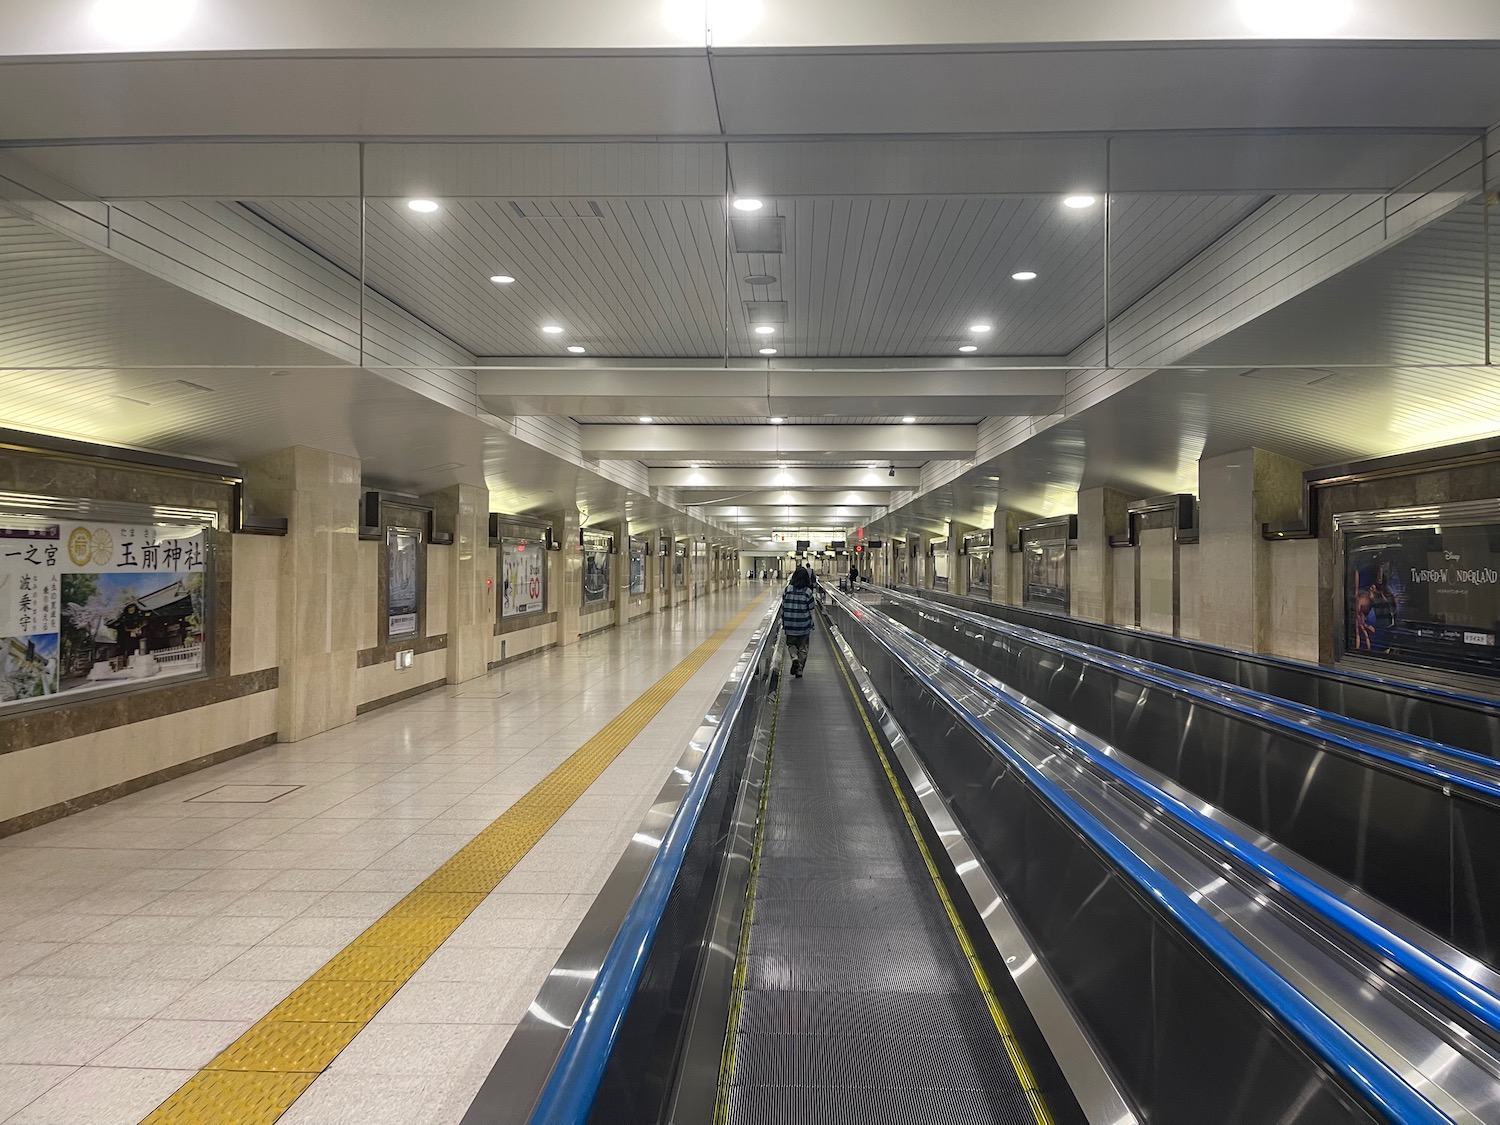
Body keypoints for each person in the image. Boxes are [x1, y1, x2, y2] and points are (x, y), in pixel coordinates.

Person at [781, 566, 816, 678]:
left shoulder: (788, 589)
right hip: (803, 625)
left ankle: (794, 657)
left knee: (791, 644)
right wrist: (812, 623)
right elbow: (811, 609)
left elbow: (783, 605)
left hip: (789, 623)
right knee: (803, 647)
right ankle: (799, 670)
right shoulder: (808, 592)